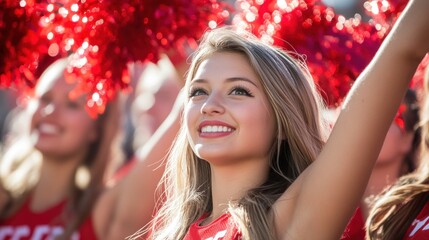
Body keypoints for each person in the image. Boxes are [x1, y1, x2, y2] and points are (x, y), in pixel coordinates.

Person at [133, 0, 428, 239]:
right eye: (198, 92)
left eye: (238, 91)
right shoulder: (170, 233)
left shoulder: (288, 223)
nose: (210, 105)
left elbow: (401, 51)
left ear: (282, 123)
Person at [0, 57, 182, 240]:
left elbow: (190, 101)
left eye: (72, 105)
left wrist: (163, 39)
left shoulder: (105, 212)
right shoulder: (3, 198)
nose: (49, 111)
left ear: (96, 128)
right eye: (45, 99)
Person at [341, 89, 421, 240]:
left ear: (408, 139)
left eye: (384, 116)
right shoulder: (330, 208)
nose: (366, 126)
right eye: (359, 115)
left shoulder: (422, 211)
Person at [366, 66, 429, 239]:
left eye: (391, 115)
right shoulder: (398, 208)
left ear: (408, 138)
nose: (372, 122)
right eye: (366, 112)